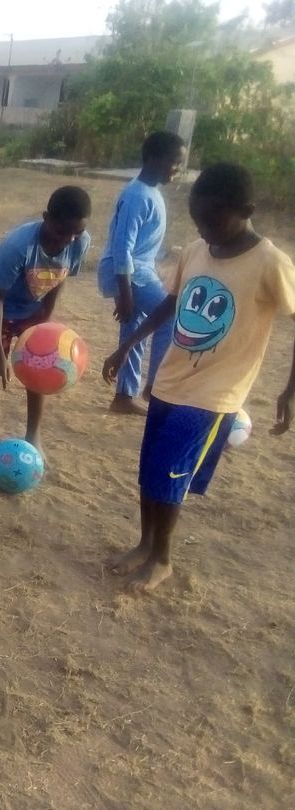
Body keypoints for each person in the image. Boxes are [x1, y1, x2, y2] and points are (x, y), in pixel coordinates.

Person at [102, 163, 295, 593]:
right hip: (171, 382)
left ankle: (162, 559)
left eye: (214, 221)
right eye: (198, 221)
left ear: (247, 211)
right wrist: (127, 344)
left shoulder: (270, 263)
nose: (205, 230)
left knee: (171, 475)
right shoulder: (195, 251)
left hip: (215, 395)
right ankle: (145, 544)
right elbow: (169, 305)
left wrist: (289, 390)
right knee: (150, 471)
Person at [0, 186, 92, 454]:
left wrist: (44, 320)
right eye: (62, 232)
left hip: (35, 307)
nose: (69, 240)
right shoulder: (18, 247)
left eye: (77, 233)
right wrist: (0, 354)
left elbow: (60, 278)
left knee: (40, 364)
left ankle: (32, 432)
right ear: (46, 218)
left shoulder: (80, 242)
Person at [98, 130, 186, 415]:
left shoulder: (151, 193)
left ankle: (124, 396)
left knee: (134, 328)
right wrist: (124, 293)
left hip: (139, 272)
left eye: (179, 163)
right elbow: (122, 246)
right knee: (169, 318)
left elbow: (144, 246)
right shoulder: (136, 195)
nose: (177, 168)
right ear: (152, 159)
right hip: (130, 273)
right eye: (173, 161)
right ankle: (156, 388)